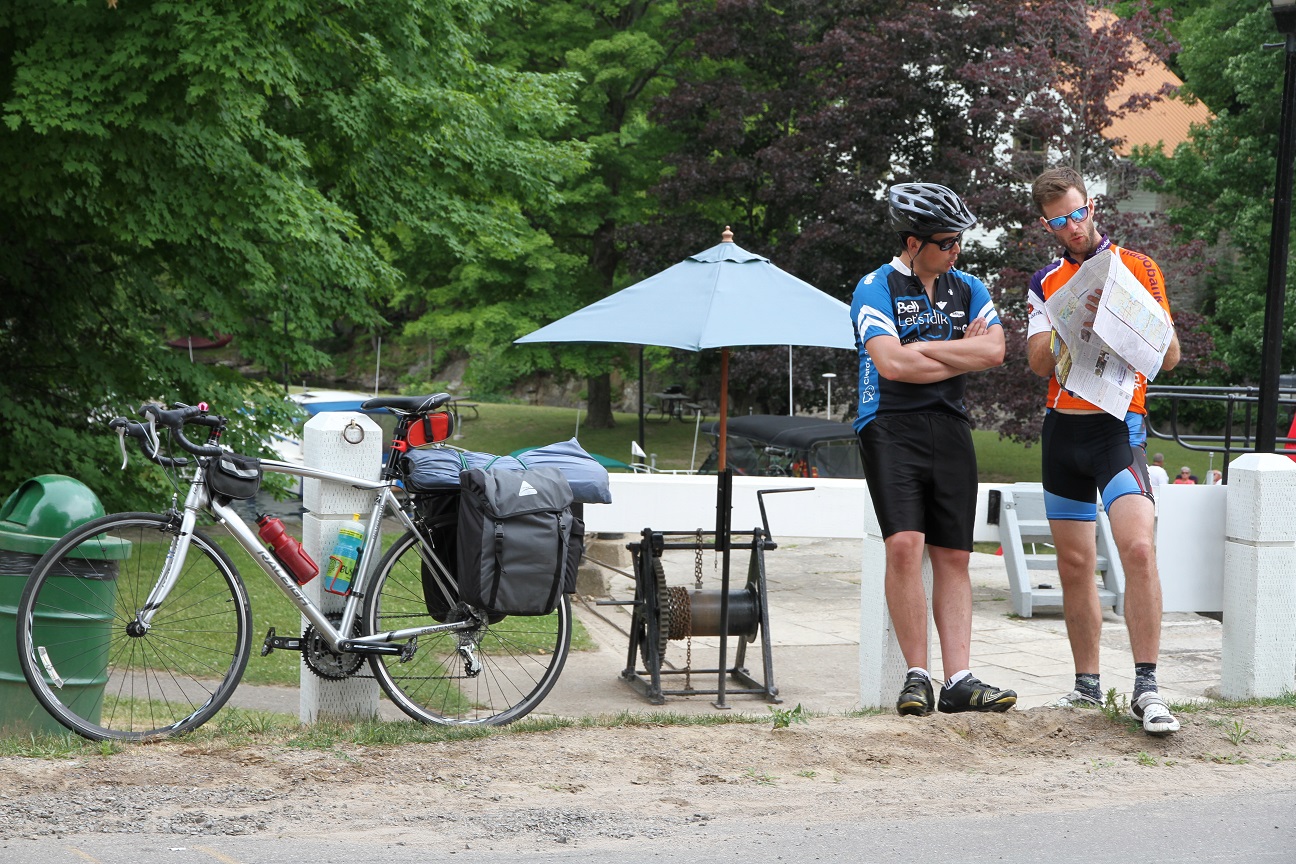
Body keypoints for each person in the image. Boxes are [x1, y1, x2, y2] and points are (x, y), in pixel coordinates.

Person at [1025, 166, 1182, 736]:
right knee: (1074, 565)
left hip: (1119, 427)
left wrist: (1120, 318)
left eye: (1075, 213)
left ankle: (1148, 685)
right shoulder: (1045, 280)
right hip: (1062, 431)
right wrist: (1068, 323)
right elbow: (1039, 364)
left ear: (1092, 206)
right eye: (1057, 221)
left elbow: (1169, 357)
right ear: (1048, 225)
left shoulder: (1138, 266)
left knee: (1138, 547)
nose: (1071, 227)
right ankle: (1086, 685)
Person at [851, 182, 1015, 717]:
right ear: (912, 242)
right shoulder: (875, 287)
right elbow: (892, 365)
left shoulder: (968, 287)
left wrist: (925, 347)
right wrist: (955, 352)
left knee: (954, 554)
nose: (956, 251)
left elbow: (994, 350)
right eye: (945, 242)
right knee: (904, 545)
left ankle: (959, 679)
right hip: (890, 425)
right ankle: (917, 675)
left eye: (959, 241)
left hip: (950, 425)